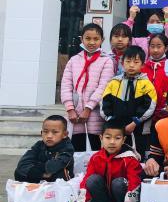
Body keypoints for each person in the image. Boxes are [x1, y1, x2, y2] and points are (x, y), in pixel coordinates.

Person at [61, 23, 115, 152]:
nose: (91, 42)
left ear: (102, 40)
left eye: (96, 39)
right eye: (88, 38)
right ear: (82, 39)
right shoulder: (73, 60)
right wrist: (70, 109)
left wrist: (88, 108)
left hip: (94, 115)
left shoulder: (106, 61)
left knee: (92, 150)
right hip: (74, 115)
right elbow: (66, 85)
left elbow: (104, 87)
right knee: (74, 150)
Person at [76, 120, 142, 202]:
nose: (112, 142)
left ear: (123, 140)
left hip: (124, 199)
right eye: (108, 137)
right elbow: (85, 181)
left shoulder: (129, 158)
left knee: (119, 182)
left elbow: (135, 183)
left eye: (117, 138)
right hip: (105, 197)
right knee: (92, 179)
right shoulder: (96, 157)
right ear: (101, 138)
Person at [101, 46, 157, 157]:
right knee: (114, 155)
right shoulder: (114, 82)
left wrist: (135, 122)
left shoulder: (146, 84)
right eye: (128, 61)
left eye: (136, 62)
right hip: (115, 129)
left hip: (137, 128)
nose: (131, 65)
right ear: (122, 63)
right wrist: (111, 121)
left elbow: (150, 106)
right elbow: (105, 103)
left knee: (136, 156)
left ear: (142, 65)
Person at [14, 115, 74, 183]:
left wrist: (36, 166)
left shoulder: (67, 148)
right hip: (42, 175)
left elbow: (53, 166)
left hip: (58, 180)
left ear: (65, 134)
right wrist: (41, 174)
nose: (49, 136)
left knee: (59, 173)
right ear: (41, 133)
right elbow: (23, 163)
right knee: (18, 172)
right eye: (45, 132)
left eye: (55, 132)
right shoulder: (39, 145)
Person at [142, 33, 168, 124]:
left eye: (159, 46)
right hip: (144, 112)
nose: (155, 50)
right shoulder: (143, 67)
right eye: (152, 46)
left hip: (165, 113)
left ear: (166, 48)